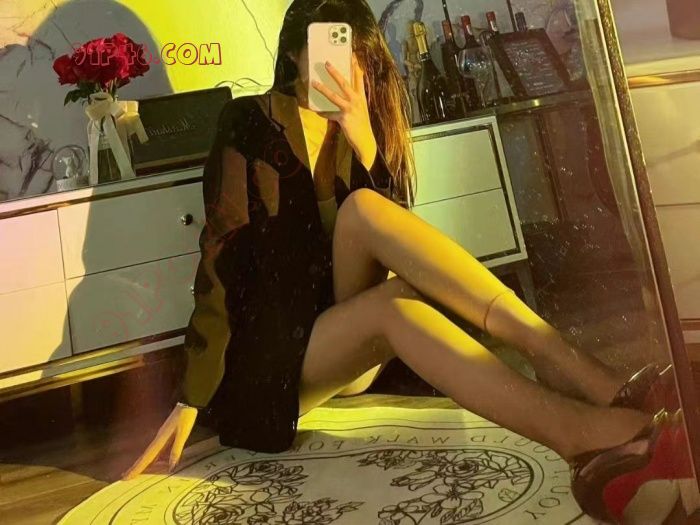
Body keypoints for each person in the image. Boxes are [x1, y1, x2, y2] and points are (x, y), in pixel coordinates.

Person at [123, 1, 689, 522]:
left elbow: (394, 242)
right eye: (329, 48)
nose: (343, 66)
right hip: (270, 358)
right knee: (395, 307)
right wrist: (192, 393)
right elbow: (220, 252)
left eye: (356, 54)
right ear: (294, 53)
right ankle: (586, 430)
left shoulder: (358, 125)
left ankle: (576, 372)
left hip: (340, 329)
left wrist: (365, 142)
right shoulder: (248, 120)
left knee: (371, 224)